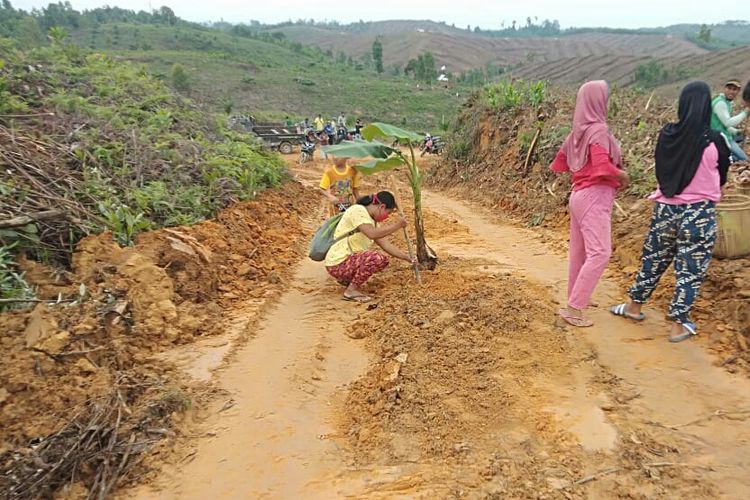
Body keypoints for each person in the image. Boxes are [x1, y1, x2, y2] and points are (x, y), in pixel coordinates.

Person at [610, 81, 730, 343]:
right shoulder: (715, 141)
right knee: (690, 270)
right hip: (699, 213)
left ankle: (633, 307)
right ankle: (677, 325)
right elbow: (721, 177)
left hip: (666, 208)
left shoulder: (667, 135)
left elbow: (661, 170)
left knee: (652, 260)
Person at [549, 80, 629, 327]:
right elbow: (603, 165)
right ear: (598, 101)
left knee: (580, 252)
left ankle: (577, 295)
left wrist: (582, 170)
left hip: (578, 195)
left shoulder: (578, 131)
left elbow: (559, 162)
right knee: (600, 253)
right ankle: (574, 309)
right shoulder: (598, 131)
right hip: (594, 197)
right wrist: (621, 175)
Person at [325, 191, 416, 302]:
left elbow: (386, 245)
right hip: (338, 262)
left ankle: (347, 279)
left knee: (383, 261)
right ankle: (350, 291)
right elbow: (371, 233)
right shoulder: (358, 211)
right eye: (388, 213)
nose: (386, 217)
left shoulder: (372, 221)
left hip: (347, 262)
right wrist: (397, 225)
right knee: (376, 259)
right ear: (382, 207)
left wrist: (407, 257)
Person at [710, 79, 748, 162]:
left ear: (738, 92)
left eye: (734, 90)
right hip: (721, 138)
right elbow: (727, 123)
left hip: (723, 135)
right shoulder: (720, 103)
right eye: (729, 88)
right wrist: (745, 112)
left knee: (739, 138)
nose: (731, 91)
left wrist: (736, 131)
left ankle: (727, 159)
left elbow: (722, 125)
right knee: (744, 159)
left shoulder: (726, 102)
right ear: (725, 89)